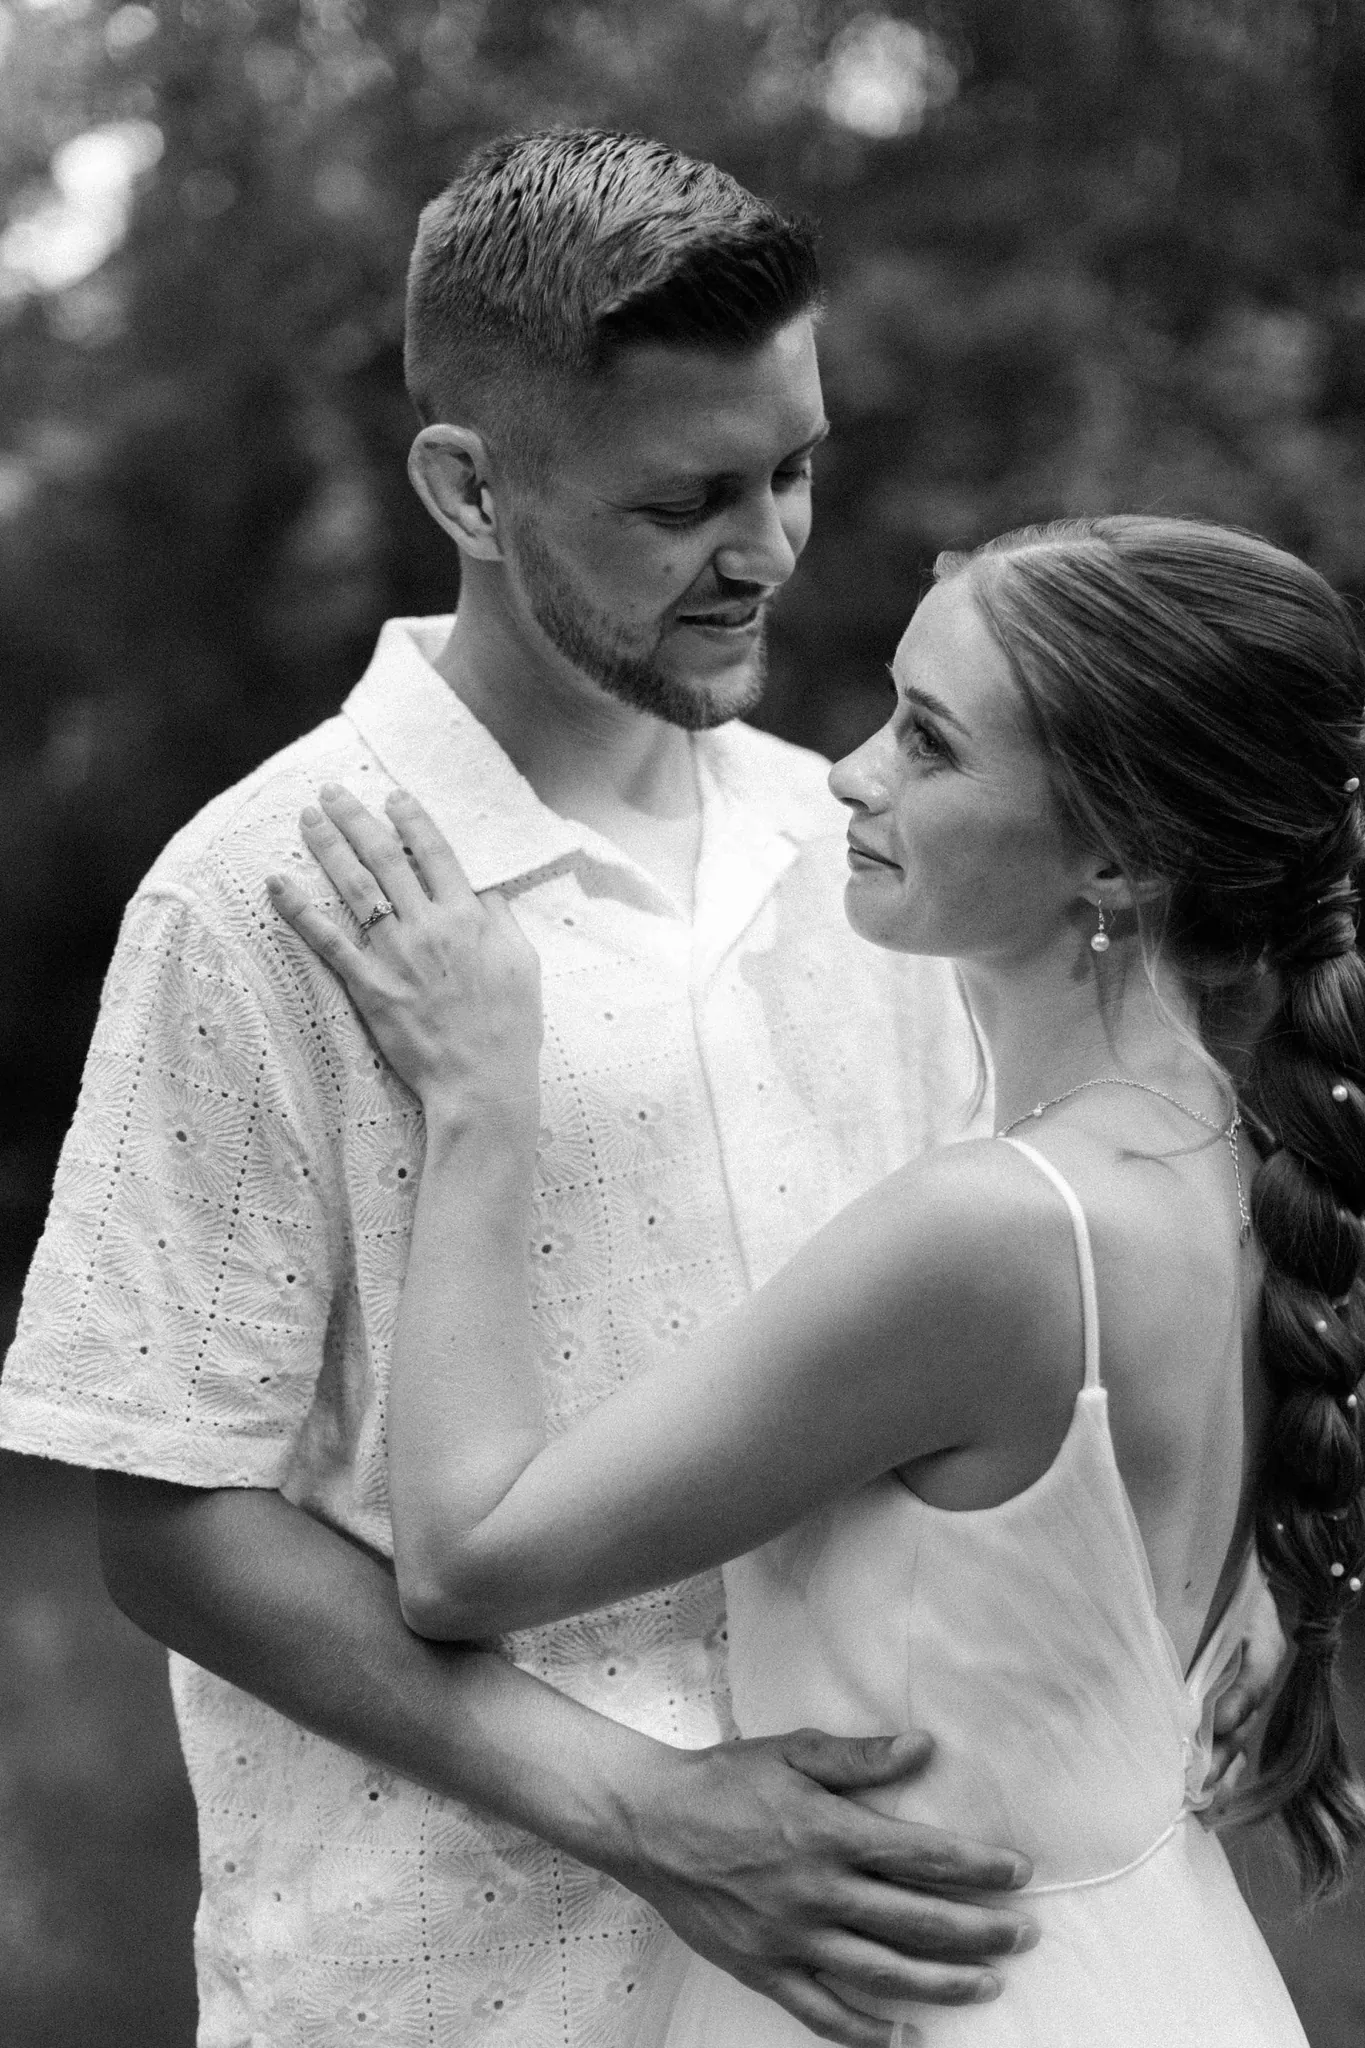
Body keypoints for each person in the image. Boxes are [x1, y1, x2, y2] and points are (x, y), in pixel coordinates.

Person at [0, 129, 1083, 2048]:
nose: (766, 549)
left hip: (878, 1983)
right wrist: (647, 1814)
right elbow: (167, 1513)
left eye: (795, 470)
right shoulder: (263, 890)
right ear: (468, 487)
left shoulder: (862, 852)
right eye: (685, 502)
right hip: (461, 1990)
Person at [268, 512, 1365, 2047]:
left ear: (1117, 854)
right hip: (1155, 1966)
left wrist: (481, 1102)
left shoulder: (999, 1231)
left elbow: (469, 1557)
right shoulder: (1250, 1170)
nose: (851, 770)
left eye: (929, 743)